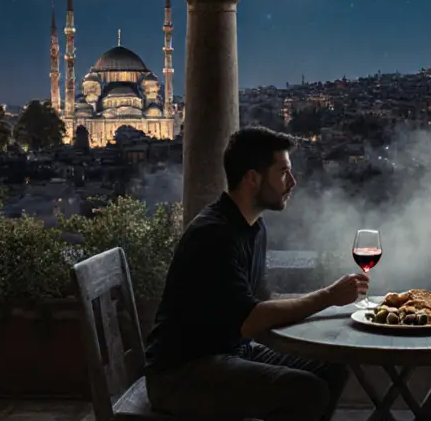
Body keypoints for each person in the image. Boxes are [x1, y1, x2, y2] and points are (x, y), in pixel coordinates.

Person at [143, 126, 368, 421]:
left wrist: (325, 303)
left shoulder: (252, 227)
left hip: (228, 353)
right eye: (283, 172)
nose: (293, 182)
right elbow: (252, 320)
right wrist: (328, 297)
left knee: (331, 367)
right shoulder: (215, 234)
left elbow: (263, 301)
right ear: (252, 178)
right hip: (180, 373)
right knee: (305, 391)